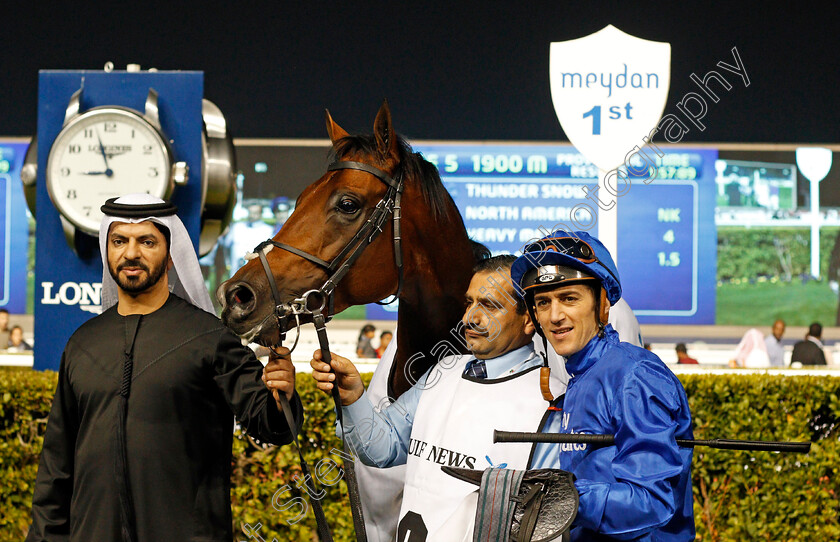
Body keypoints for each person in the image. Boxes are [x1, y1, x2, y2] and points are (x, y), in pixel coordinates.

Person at [27, 194, 302, 542]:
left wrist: (281, 396)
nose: (130, 253)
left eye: (147, 241)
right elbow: (56, 466)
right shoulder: (83, 344)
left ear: (171, 257)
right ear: (107, 251)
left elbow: (270, 424)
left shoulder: (210, 338)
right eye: (119, 241)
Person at [298, 255, 548, 540]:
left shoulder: (549, 401)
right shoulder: (444, 370)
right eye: (469, 303)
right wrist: (353, 398)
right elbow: (381, 448)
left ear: (529, 320)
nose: (470, 318)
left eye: (489, 305)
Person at [514, 230, 694, 541]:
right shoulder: (581, 377)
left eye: (569, 298)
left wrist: (565, 498)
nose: (555, 315)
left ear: (603, 304)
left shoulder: (633, 376)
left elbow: (653, 502)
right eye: (543, 302)